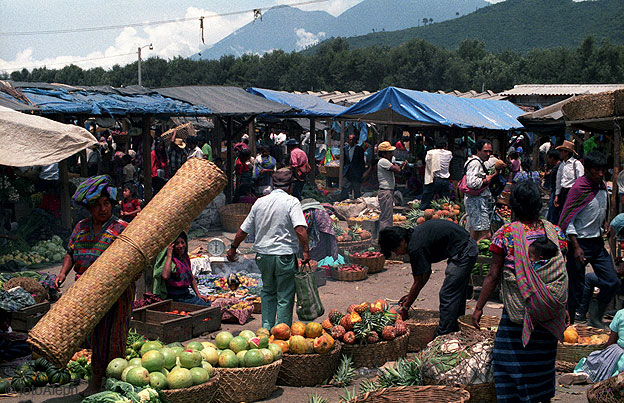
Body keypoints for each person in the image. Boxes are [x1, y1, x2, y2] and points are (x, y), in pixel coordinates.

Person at [473, 180, 568, 403]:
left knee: (509, 361)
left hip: (519, 315)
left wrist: (479, 307)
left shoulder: (505, 234)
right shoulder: (555, 232)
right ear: (538, 205)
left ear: (514, 205)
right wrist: (564, 306)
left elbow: (493, 275)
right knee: (542, 364)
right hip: (549, 312)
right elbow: (561, 273)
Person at [53, 175, 137, 396]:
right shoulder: (81, 227)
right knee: (96, 338)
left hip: (117, 293)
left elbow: (135, 259)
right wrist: (63, 273)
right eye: (97, 205)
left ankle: (113, 384)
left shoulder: (122, 228)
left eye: (106, 204)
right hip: (88, 294)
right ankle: (96, 381)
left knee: (115, 336)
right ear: (89, 208)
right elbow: (71, 252)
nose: (103, 209)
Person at [227, 168, 310, 329]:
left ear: (273, 184)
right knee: (285, 295)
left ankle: (266, 328)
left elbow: (243, 230)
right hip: (284, 256)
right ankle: (281, 331)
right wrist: (305, 250)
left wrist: (232, 248)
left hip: (263, 256)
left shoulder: (260, 202)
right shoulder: (292, 202)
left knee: (268, 291)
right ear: (290, 186)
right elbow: (300, 229)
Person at [379, 221, 477, 336]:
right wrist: (410, 296)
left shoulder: (415, 247)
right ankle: (456, 330)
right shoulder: (414, 237)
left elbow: (419, 281)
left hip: (464, 251)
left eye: (395, 250)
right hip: (463, 247)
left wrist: (405, 307)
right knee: (456, 293)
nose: (397, 255)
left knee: (447, 294)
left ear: (403, 242)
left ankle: (442, 337)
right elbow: (425, 274)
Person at [560, 151, 619, 328]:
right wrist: (576, 246)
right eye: (596, 170)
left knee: (612, 281)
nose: (601, 174)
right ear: (587, 169)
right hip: (579, 242)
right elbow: (568, 219)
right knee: (575, 288)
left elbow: (602, 209)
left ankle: (595, 316)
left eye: (603, 170)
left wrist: (605, 223)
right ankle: (569, 323)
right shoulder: (579, 188)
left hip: (597, 242)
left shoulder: (602, 187)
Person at [564, 306, 624, 384]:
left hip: (619, 352)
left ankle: (586, 374)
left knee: (597, 361)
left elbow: (611, 340)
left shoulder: (621, 314)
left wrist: (604, 353)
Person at [153, 232, 211, 306]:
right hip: (176, 298)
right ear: (172, 246)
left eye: (182, 242)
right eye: (177, 243)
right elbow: (165, 276)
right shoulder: (170, 261)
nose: (181, 246)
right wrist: (169, 255)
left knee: (208, 303)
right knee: (207, 306)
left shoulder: (185, 258)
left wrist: (198, 294)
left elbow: (191, 277)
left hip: (186, 295)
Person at [464, 139, 499, 241]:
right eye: (485, 151)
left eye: (490, 152)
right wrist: (485, 180)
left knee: (475, 231)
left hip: (478, 201)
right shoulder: (475, 163)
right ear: (478, 151)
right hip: (477, 202)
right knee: (484, 234)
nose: (488, 154)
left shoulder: (479, 162)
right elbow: (471, 183)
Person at [377, 141, 406, 231]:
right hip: (386, 191)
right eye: (390, 152)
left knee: (387, 215)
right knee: (386, 217)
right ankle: (384, 235)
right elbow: (397, 170)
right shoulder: (383, 161)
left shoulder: (385, 161)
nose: (391, 154)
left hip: (387, 191)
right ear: (384, 153)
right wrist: (400, 165)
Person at [421, 138, 452, 210]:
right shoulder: (449, 153)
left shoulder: (431, 153)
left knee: (426, 201)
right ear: (445, 146)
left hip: (434, 180)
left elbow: (426, 161)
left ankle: (422, 215)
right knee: (445, 203)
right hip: (445, 181)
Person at [554, 140, 583, 211]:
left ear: (566, 152)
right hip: (563, 192)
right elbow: (558, 180)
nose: (560, 153)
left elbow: (580, 179)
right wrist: (557, 195)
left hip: (572, 192)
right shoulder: (562, 165)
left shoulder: (576, 164)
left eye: (561, 151)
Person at [340, 134, 366, 201]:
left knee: (356, 189)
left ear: (355, 140)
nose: (351, 141)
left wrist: (361, 172)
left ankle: (357, 202)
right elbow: (344, 161)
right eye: (350, 139)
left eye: (352, 139)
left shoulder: (359, 149)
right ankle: (344, 202)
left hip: (356, 172)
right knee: (345, 188)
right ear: (348, 140)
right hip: (347, 171)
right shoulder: (345, 149)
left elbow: (362, 162)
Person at [545, 149, 562, 224]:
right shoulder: (561, 166)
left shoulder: (556, 168)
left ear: (552, 158)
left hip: (556, 192)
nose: (548, 161)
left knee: (553, 214)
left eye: (549, 158)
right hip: (558, 192)